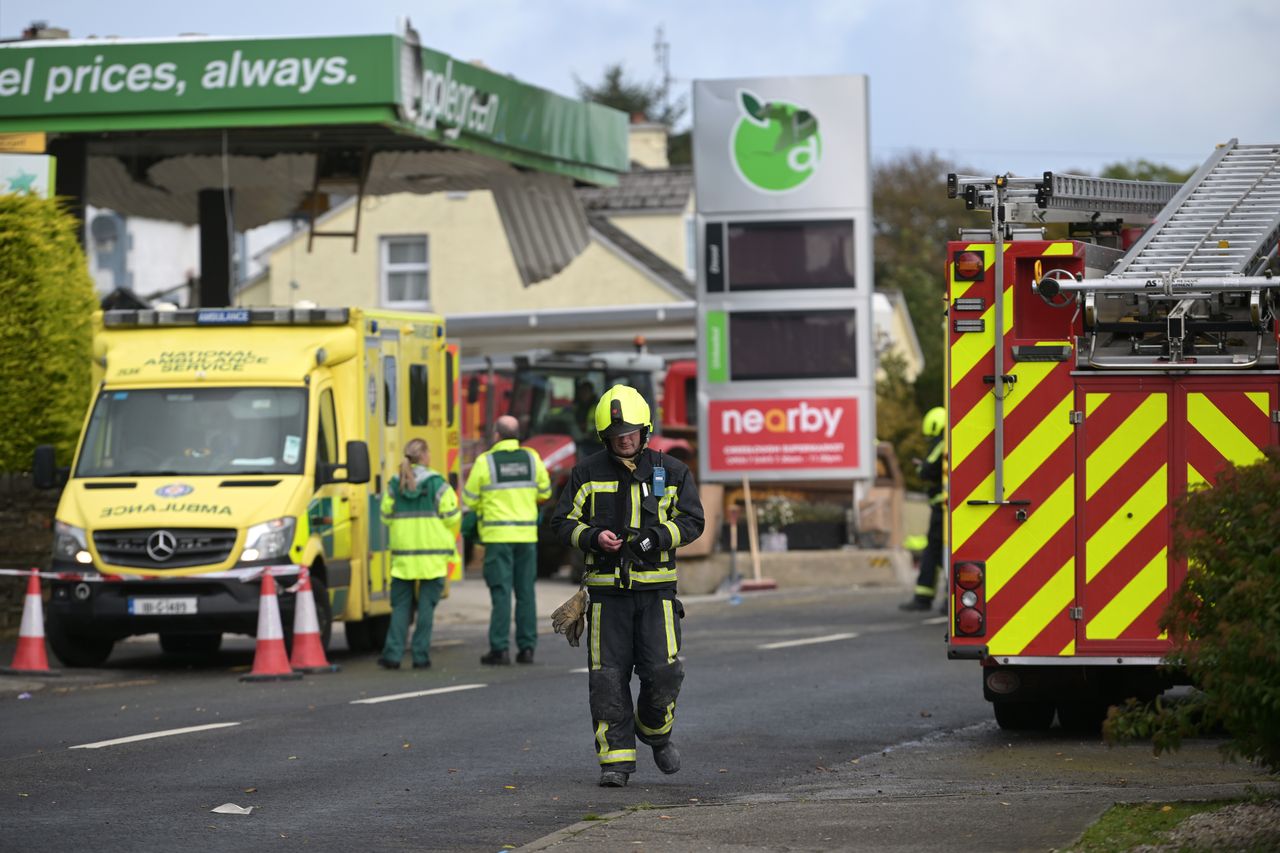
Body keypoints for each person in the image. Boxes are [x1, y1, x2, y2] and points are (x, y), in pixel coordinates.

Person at [550, 384, 704, 788]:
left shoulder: (671, 471)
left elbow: (692, 520)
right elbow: (561, 522)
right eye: (617, 436)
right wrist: (593, 537)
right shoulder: (586, 472)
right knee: (607, 680)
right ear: (605, 438)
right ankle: (614, 762)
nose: (625, 440)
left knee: (664, 673)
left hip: (656, 595)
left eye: (631, 433)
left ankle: (656, 732)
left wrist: (656, 537)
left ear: (645, 430)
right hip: (606, 599)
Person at [463, 414, 552, 665]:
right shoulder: (532, 458)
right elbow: (545, 491)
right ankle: (527, 649)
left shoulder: (485, 462)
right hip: (526, 536)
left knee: (501, 593)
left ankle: (499, 649)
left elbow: (470, 499)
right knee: (525, 593)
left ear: (497, 435)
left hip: (497, 537)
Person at [378, 438, 461, 669]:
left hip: (403, 559)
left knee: (400, 608)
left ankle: (393, 655)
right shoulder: (438, 484)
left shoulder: (395, 483)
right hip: (432, 558)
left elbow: (385, 515)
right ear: (424, 455)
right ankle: (420, 656)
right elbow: (452, 516)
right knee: (426, 609)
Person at [900, 407, 947, 612]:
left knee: (935, 552)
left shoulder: (943, 442)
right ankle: (944, 599)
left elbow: (928, 469)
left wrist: (920, 467)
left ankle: (924, 598)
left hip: (942, 509)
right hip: (948, 508)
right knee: (942, 552)